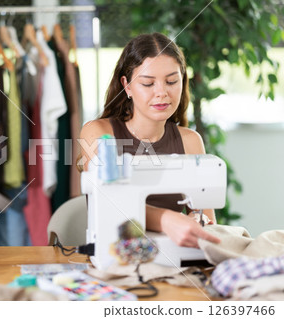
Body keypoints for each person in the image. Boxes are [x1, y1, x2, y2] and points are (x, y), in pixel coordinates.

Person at [78, 32, 220, 248]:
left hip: (174, 261)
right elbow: (108, 200)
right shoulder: (97, 133)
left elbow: (205, 220)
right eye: (148, 83)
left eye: (172, 81)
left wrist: (199, 222)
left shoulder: (191, 141)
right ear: (127, 86)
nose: (162, 92)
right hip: (117, 256)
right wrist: (167, 219)